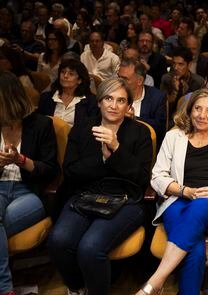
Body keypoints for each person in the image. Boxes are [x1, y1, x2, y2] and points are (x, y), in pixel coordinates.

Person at [136, 88, 208, 295]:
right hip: (178, 202)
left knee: (200, 206)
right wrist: (183, 190)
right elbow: (157, 176)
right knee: (195, 251)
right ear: (189, 111)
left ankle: (156, 280)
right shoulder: (173, 137)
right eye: (197, 108)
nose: (201, 115)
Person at [48, 78, 152, 295]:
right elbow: (70, 171)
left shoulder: (139, 132)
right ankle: (77, 288)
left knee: (90, 247)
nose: (114, 106)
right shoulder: (82, 129)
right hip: (84, 195)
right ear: (99, 102)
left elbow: (141, 178)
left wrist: (115, 149)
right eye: (108, 99)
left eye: (121, 100)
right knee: (58, 240)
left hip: (125, 200)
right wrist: (104, 160)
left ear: (128, 106)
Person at [0, 70, 59, 295]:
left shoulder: (40, 124)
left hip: (30, 192)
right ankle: (6, 289)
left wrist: (20, 160)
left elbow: (51, 170)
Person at [118, 58, 167, 145]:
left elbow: (159, 128)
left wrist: (134, 119)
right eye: (119, 77)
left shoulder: (157, 97)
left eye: (125, 79)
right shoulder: (113, 94)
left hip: (143, 146)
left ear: (140, 81)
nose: (119, 82)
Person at [37, 58, 99, 127]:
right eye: (63, 72)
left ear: (79, 80)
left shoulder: (91, 101)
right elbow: (39, 124)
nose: (65, 76)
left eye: (71, 74)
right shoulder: (46, 98)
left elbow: (91, 128)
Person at [160, 47, 204, 122]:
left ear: (189, 65)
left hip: (193, 119)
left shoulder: (198, 82)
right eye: (173, 63)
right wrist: (174, 92)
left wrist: (186, 92)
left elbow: (200, 106)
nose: (176, 68)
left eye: (180, 64)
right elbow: (162, 107)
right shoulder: (166, 79)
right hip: (170, 118)